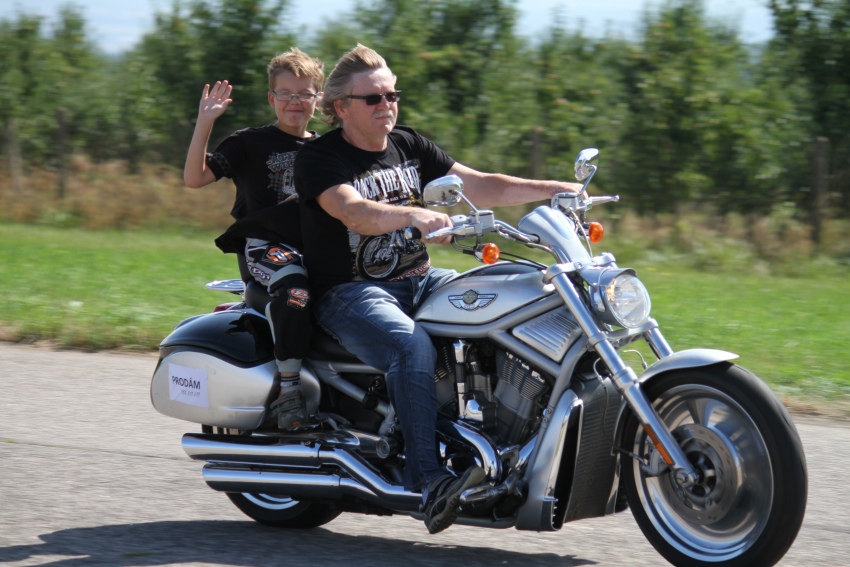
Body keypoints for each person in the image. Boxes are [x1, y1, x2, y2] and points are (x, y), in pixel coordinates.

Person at [294, 44, 586, 533]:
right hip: (351, 292)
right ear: (341, 107)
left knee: (516, 295)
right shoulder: (320, 158)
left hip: (420, 280)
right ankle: (427, 480)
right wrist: (414, 215)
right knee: (411, 347)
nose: (387, 105)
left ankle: (499, 439)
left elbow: (480, 185)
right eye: (373, 98)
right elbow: (354, 212)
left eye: (392, 94)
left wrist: (553, 189)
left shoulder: (408, 144)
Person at [183, 47, 325, 429]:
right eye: (286, 93)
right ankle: (289, 392)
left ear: (318, 98)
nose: (295, 102)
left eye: (304, 94)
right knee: (296, 291)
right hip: (266, 247)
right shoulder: (249, 142)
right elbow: (195, 178)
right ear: (271, 98)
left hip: (315, 247)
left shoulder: (328, 149)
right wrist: (205, 121)